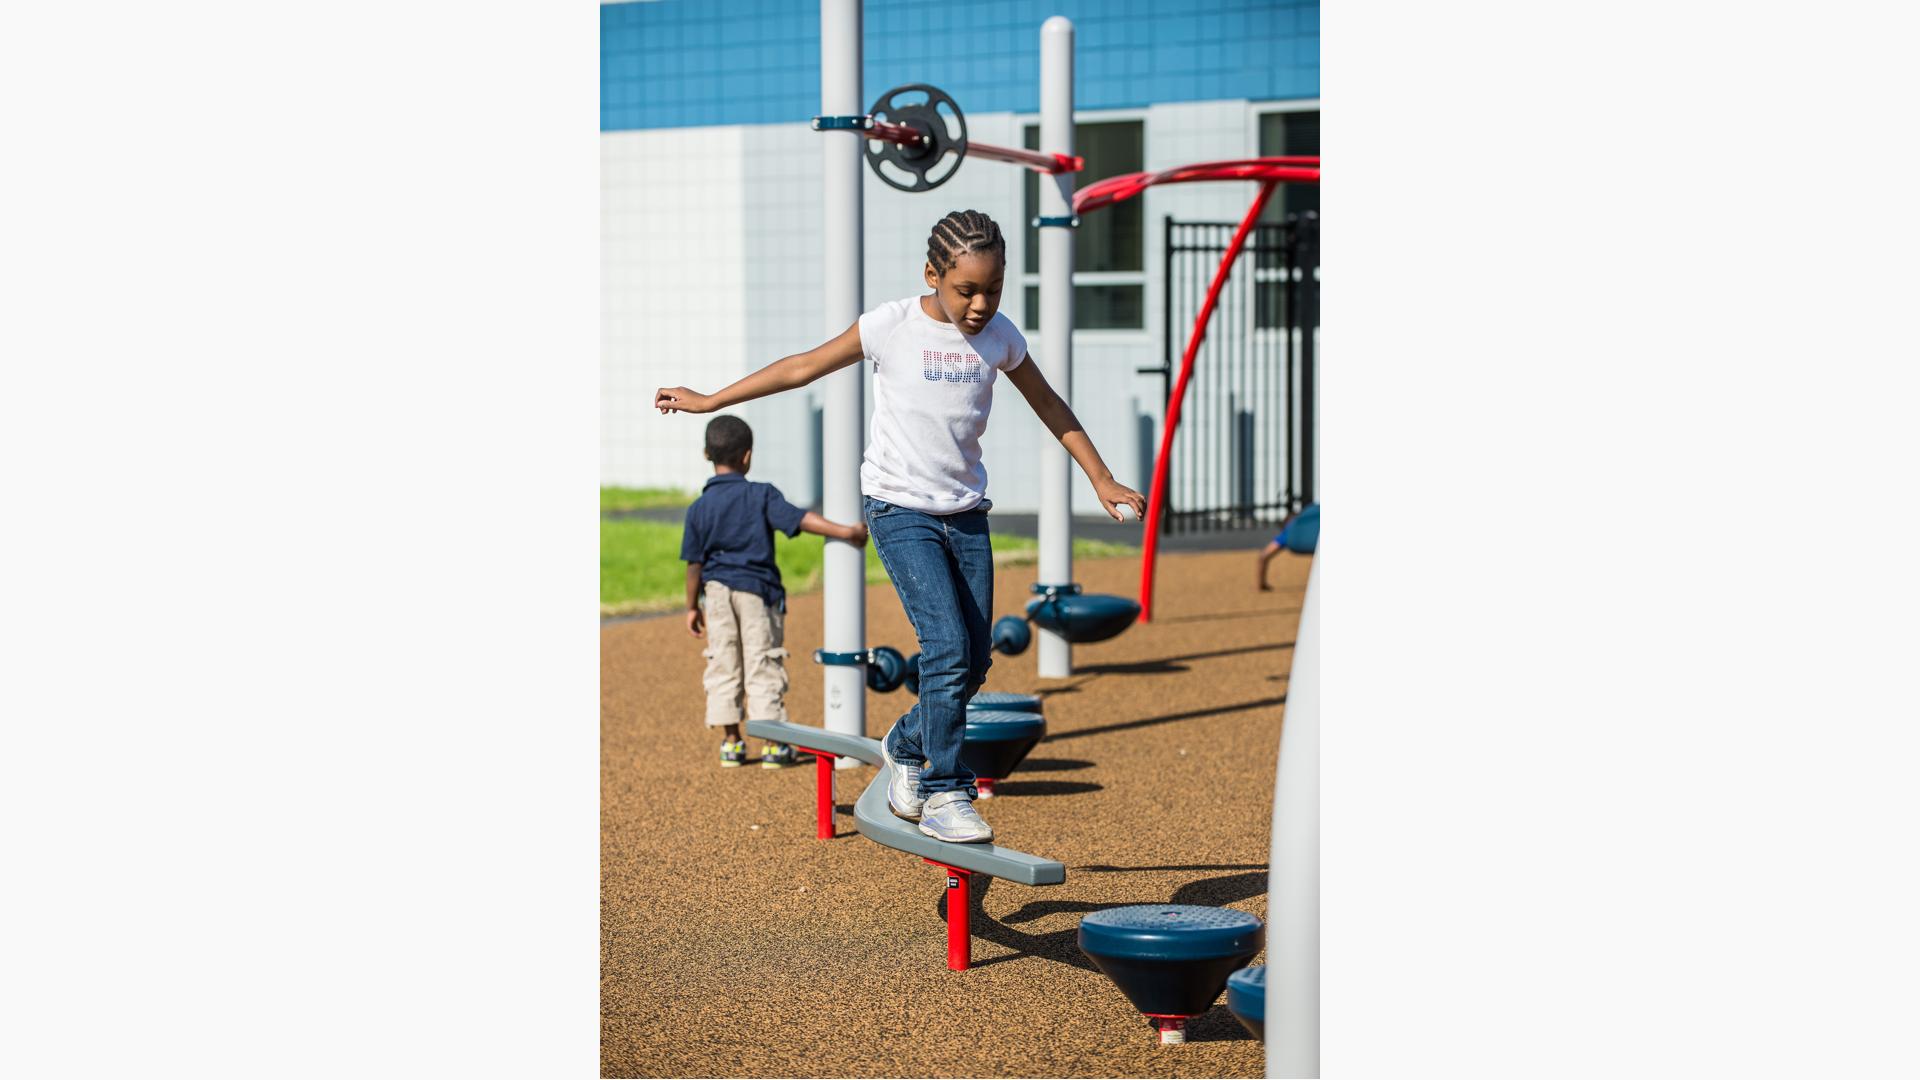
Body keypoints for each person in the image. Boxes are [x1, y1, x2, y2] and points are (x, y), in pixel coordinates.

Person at [657, 210, 1146, 842]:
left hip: (966, 514)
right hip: (899, 509)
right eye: (965, 289)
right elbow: (802, 365)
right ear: (932, 275)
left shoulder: (1000, 337)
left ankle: (906, 742)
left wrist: (1100, 478)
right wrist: (711, 399)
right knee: (945, 650)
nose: (979, 303)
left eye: (992, 289)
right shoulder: (892, 326)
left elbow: (1051, 404)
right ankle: (945, 791)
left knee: (973, 663)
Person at [681, 415, 868, 769]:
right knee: (762, 660)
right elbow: (800, 519)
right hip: (757, 591)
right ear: (748, 456)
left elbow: (694, 564)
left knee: (723, 661)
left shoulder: (698, 508)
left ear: (707, 453)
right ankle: (772, 745)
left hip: (716, 593)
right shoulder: (760, 494)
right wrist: (845, 532)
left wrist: (692, 606)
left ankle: (731, 743)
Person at [1257, 502, 1320, 591]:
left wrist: (1262, 584)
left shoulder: (1290, 531)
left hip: (1297, 544)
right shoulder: (1310, 514)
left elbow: (1263, 556)